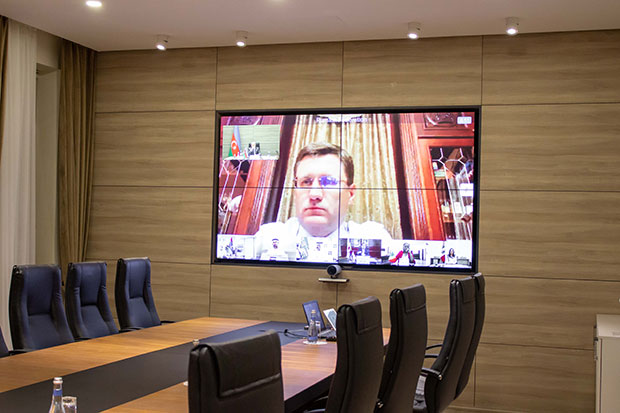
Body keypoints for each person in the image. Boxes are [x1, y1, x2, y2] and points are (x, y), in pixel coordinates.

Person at [254, 142, 392, 260]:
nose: (314, 194)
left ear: (350, 194)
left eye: (329, 182)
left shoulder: (375, 239)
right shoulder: (267, 239)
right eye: (306, 182)